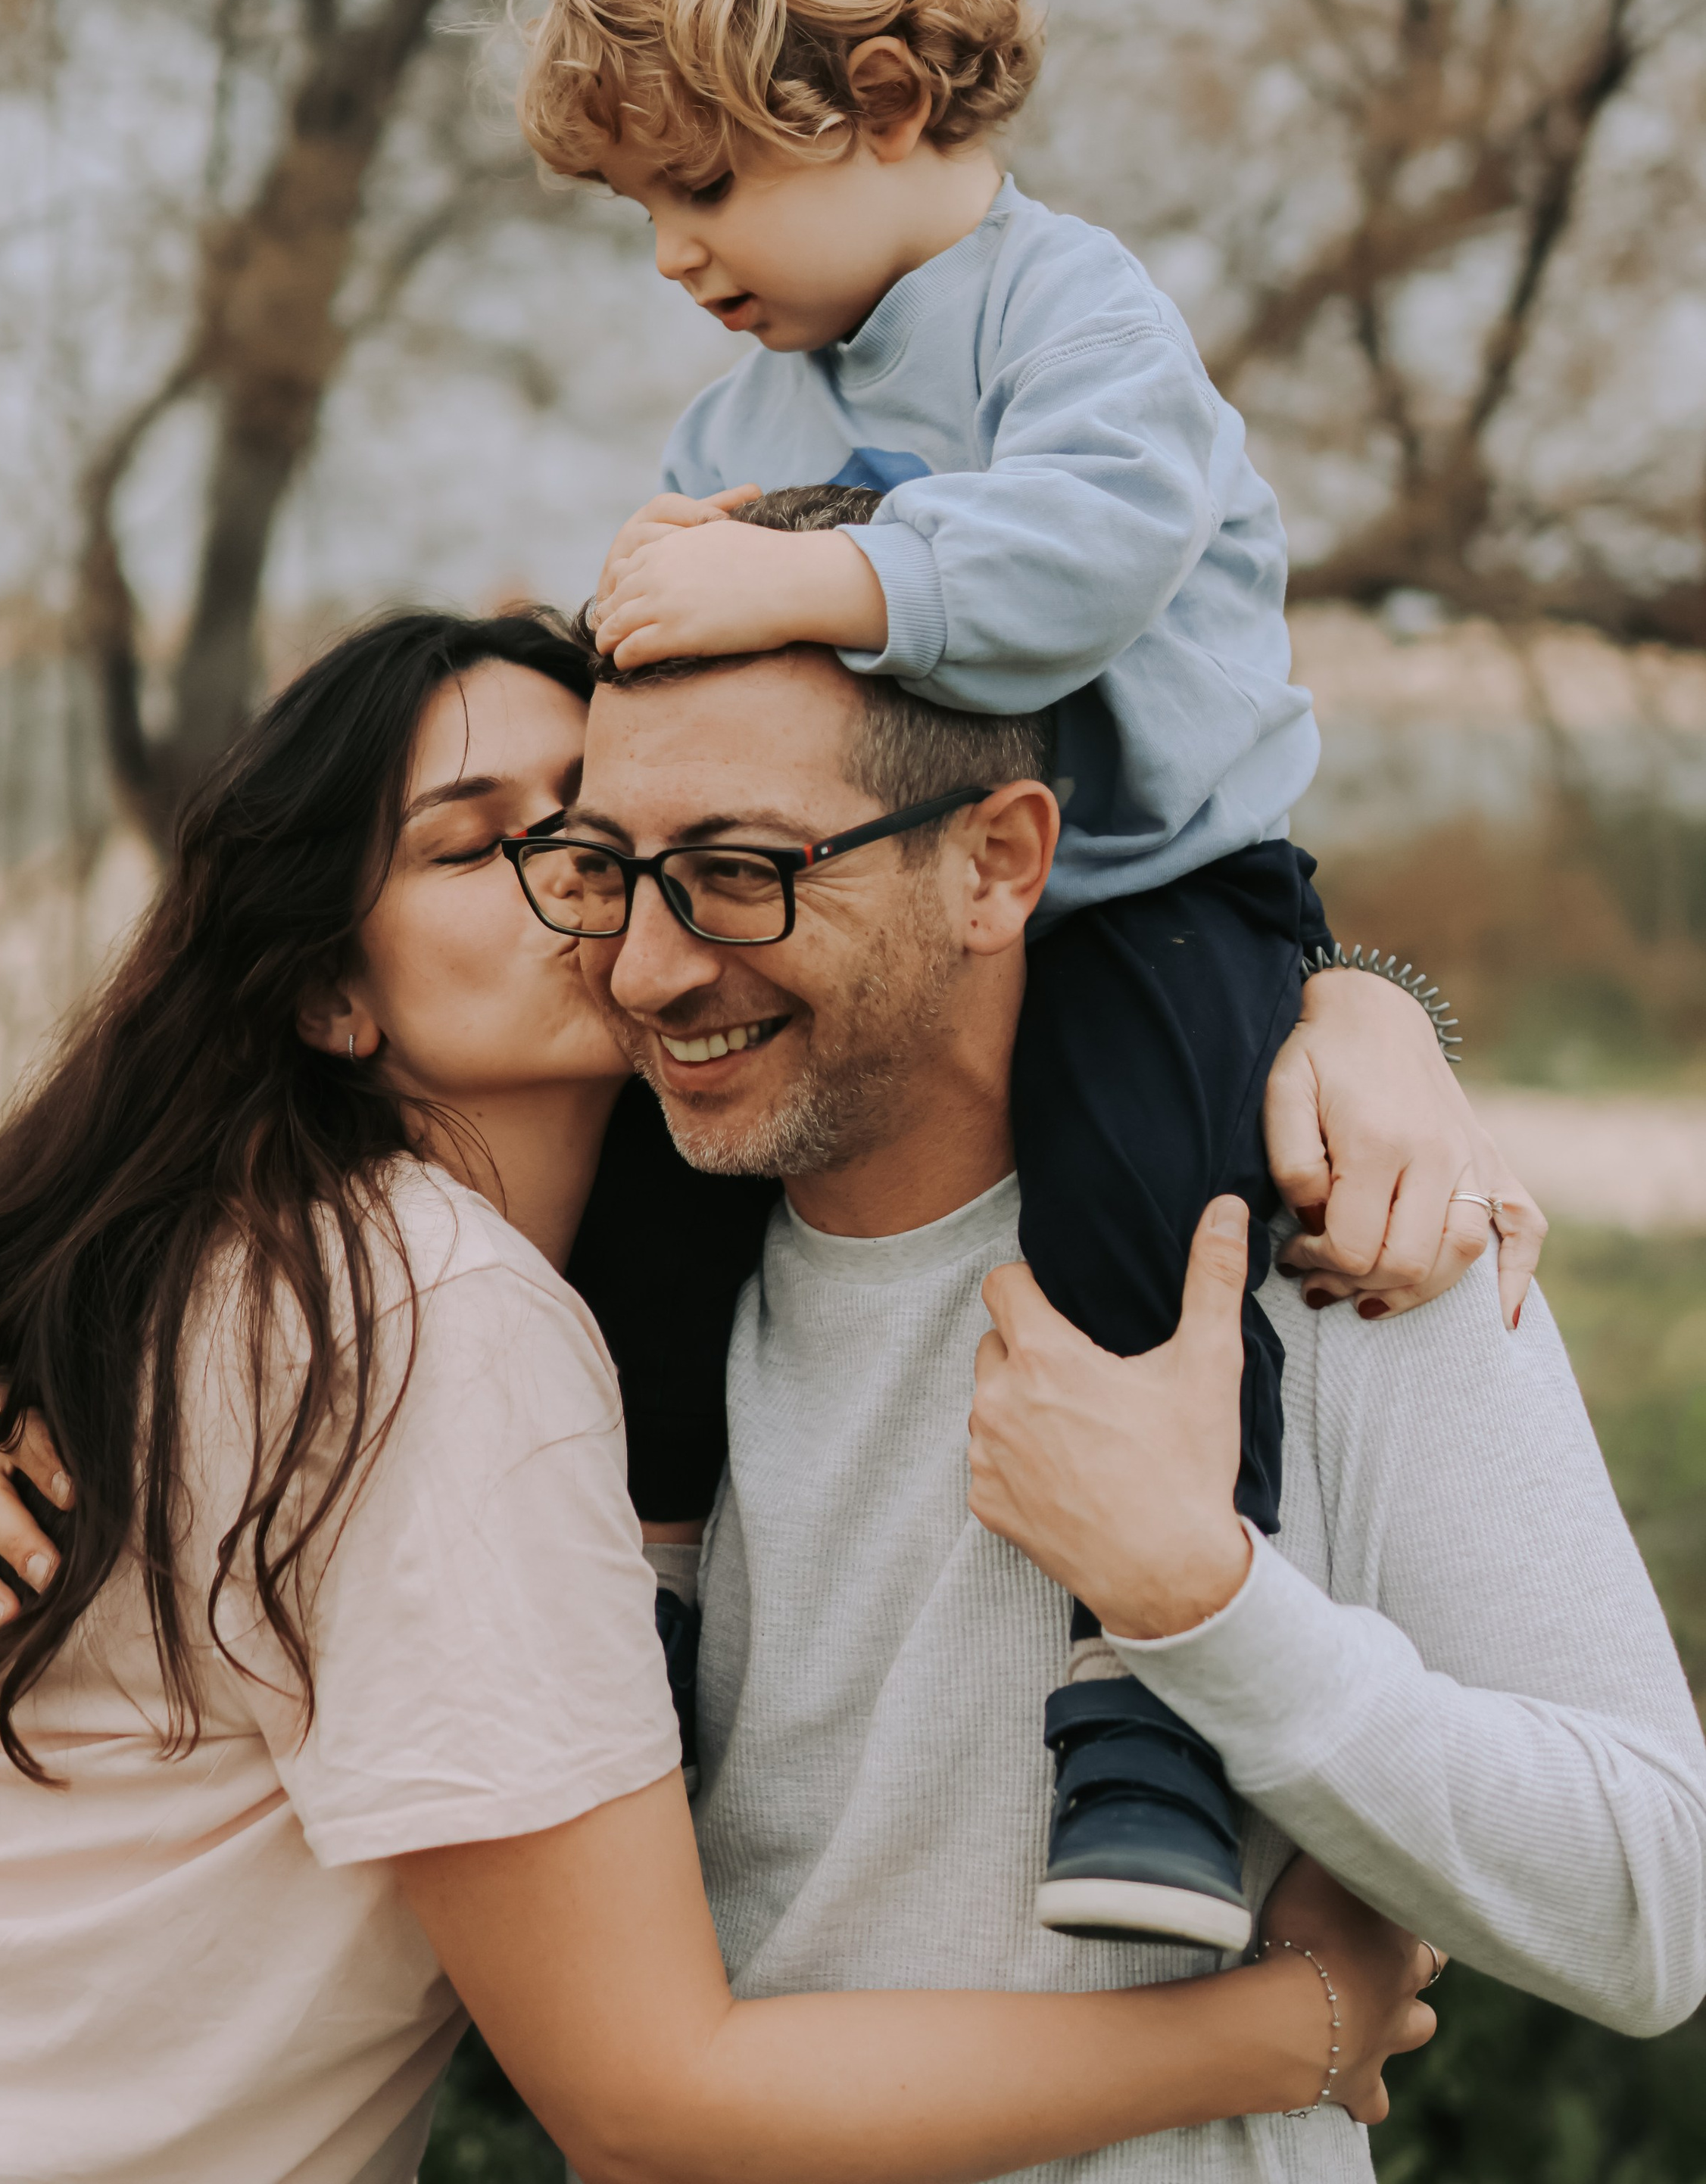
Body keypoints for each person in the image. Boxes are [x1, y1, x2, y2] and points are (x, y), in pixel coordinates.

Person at [0, 608, 1437, 2184]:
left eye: (610, 824)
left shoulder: (321, 1271)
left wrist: (1361, 1004)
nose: (589, 880)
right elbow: (645, 2102)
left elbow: (967, 920)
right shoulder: (427, 1310)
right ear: (329, 993)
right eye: (475, 839)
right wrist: (1295, 2023)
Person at [516, 0, 1542, 1944]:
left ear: (883, 100)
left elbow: (1084, 561)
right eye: (645, 209)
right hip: (902, 927)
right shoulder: (739, 408)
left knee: (1140, 1218)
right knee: (666, 1212)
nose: (677, 247)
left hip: (1162, 888)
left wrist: (799, 580)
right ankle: (663, 1576)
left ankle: (1143, 1712)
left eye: (703, 180)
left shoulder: (1081, 321)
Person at [493, 548, 1706, 2184]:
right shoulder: (558, 1285)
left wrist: (1200, 1599)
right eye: (607, 868)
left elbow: (1652, 1904)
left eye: (737, 871)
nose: (645, 966)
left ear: (998, 863)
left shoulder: (1340, 1238)